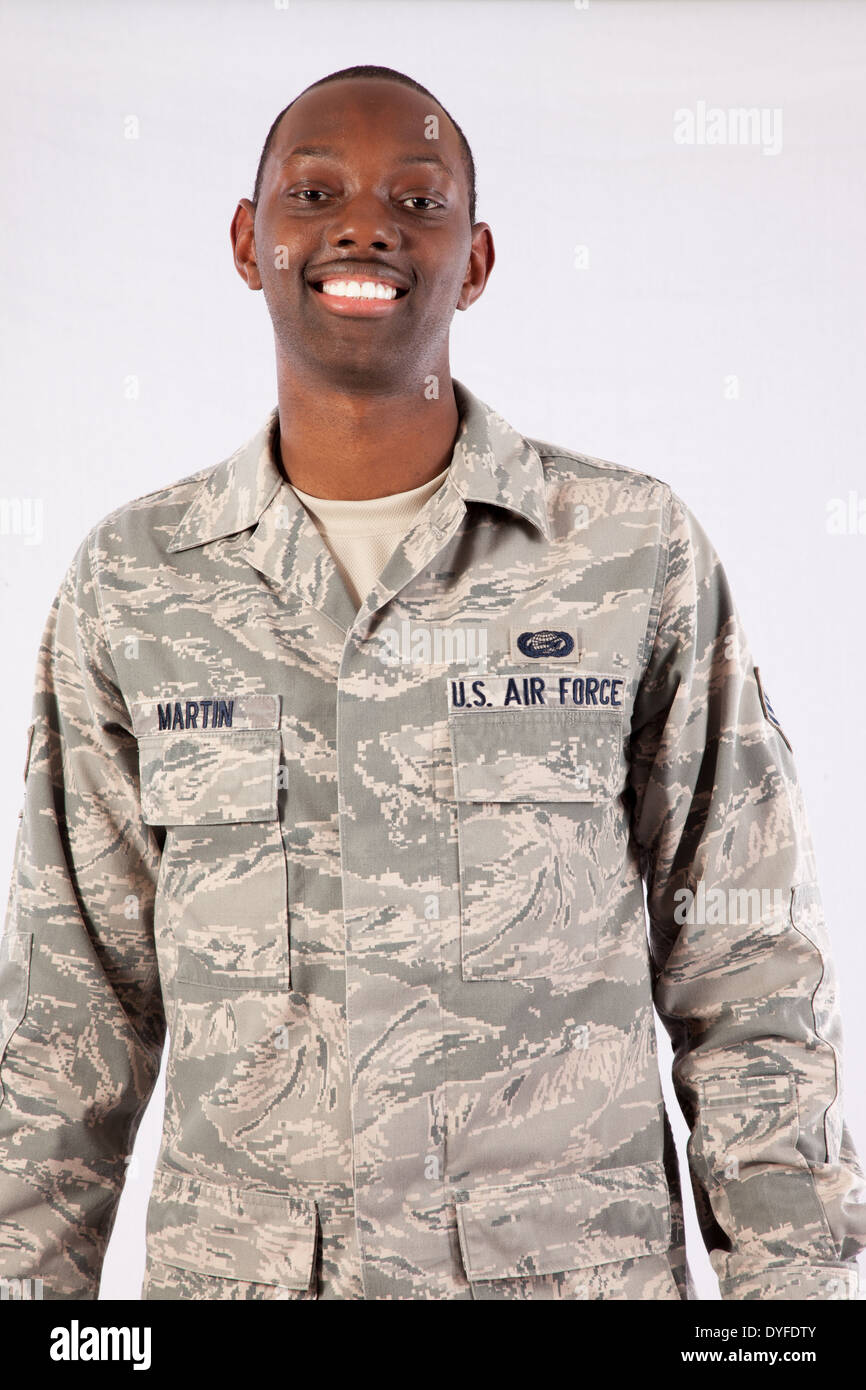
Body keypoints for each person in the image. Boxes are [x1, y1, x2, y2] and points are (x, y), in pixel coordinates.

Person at [0, 63, 864, 1302]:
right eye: (314, 193)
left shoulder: (626, 554)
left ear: (475, 256)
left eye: (418, 199)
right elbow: (69, 1017)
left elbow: (748, 969)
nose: (365, 227)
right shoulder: (135, 584)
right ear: (249, 243)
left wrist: (791, 1313)